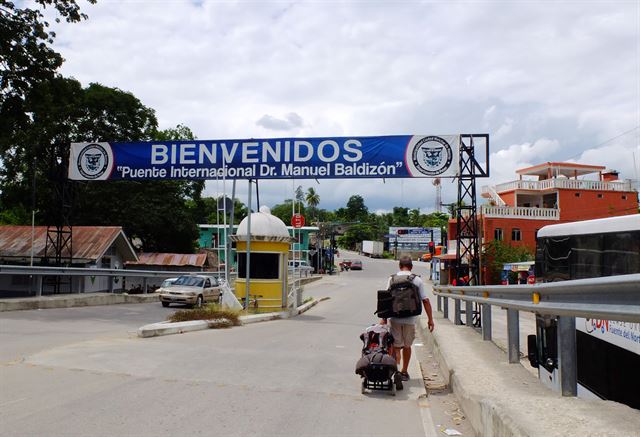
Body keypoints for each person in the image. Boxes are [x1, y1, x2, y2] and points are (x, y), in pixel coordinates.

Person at [383, 256, 434, 381]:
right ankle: (404, 371)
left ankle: (394, 370)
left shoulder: (392, 278)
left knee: (395, 345)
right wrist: (430, 319)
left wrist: (384, 318)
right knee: (407, 345)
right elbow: (425, 300)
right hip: (410, 319)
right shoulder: (416, 280)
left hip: (394, 318)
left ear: (399, 266)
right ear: (411, 266)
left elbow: (385, 299)